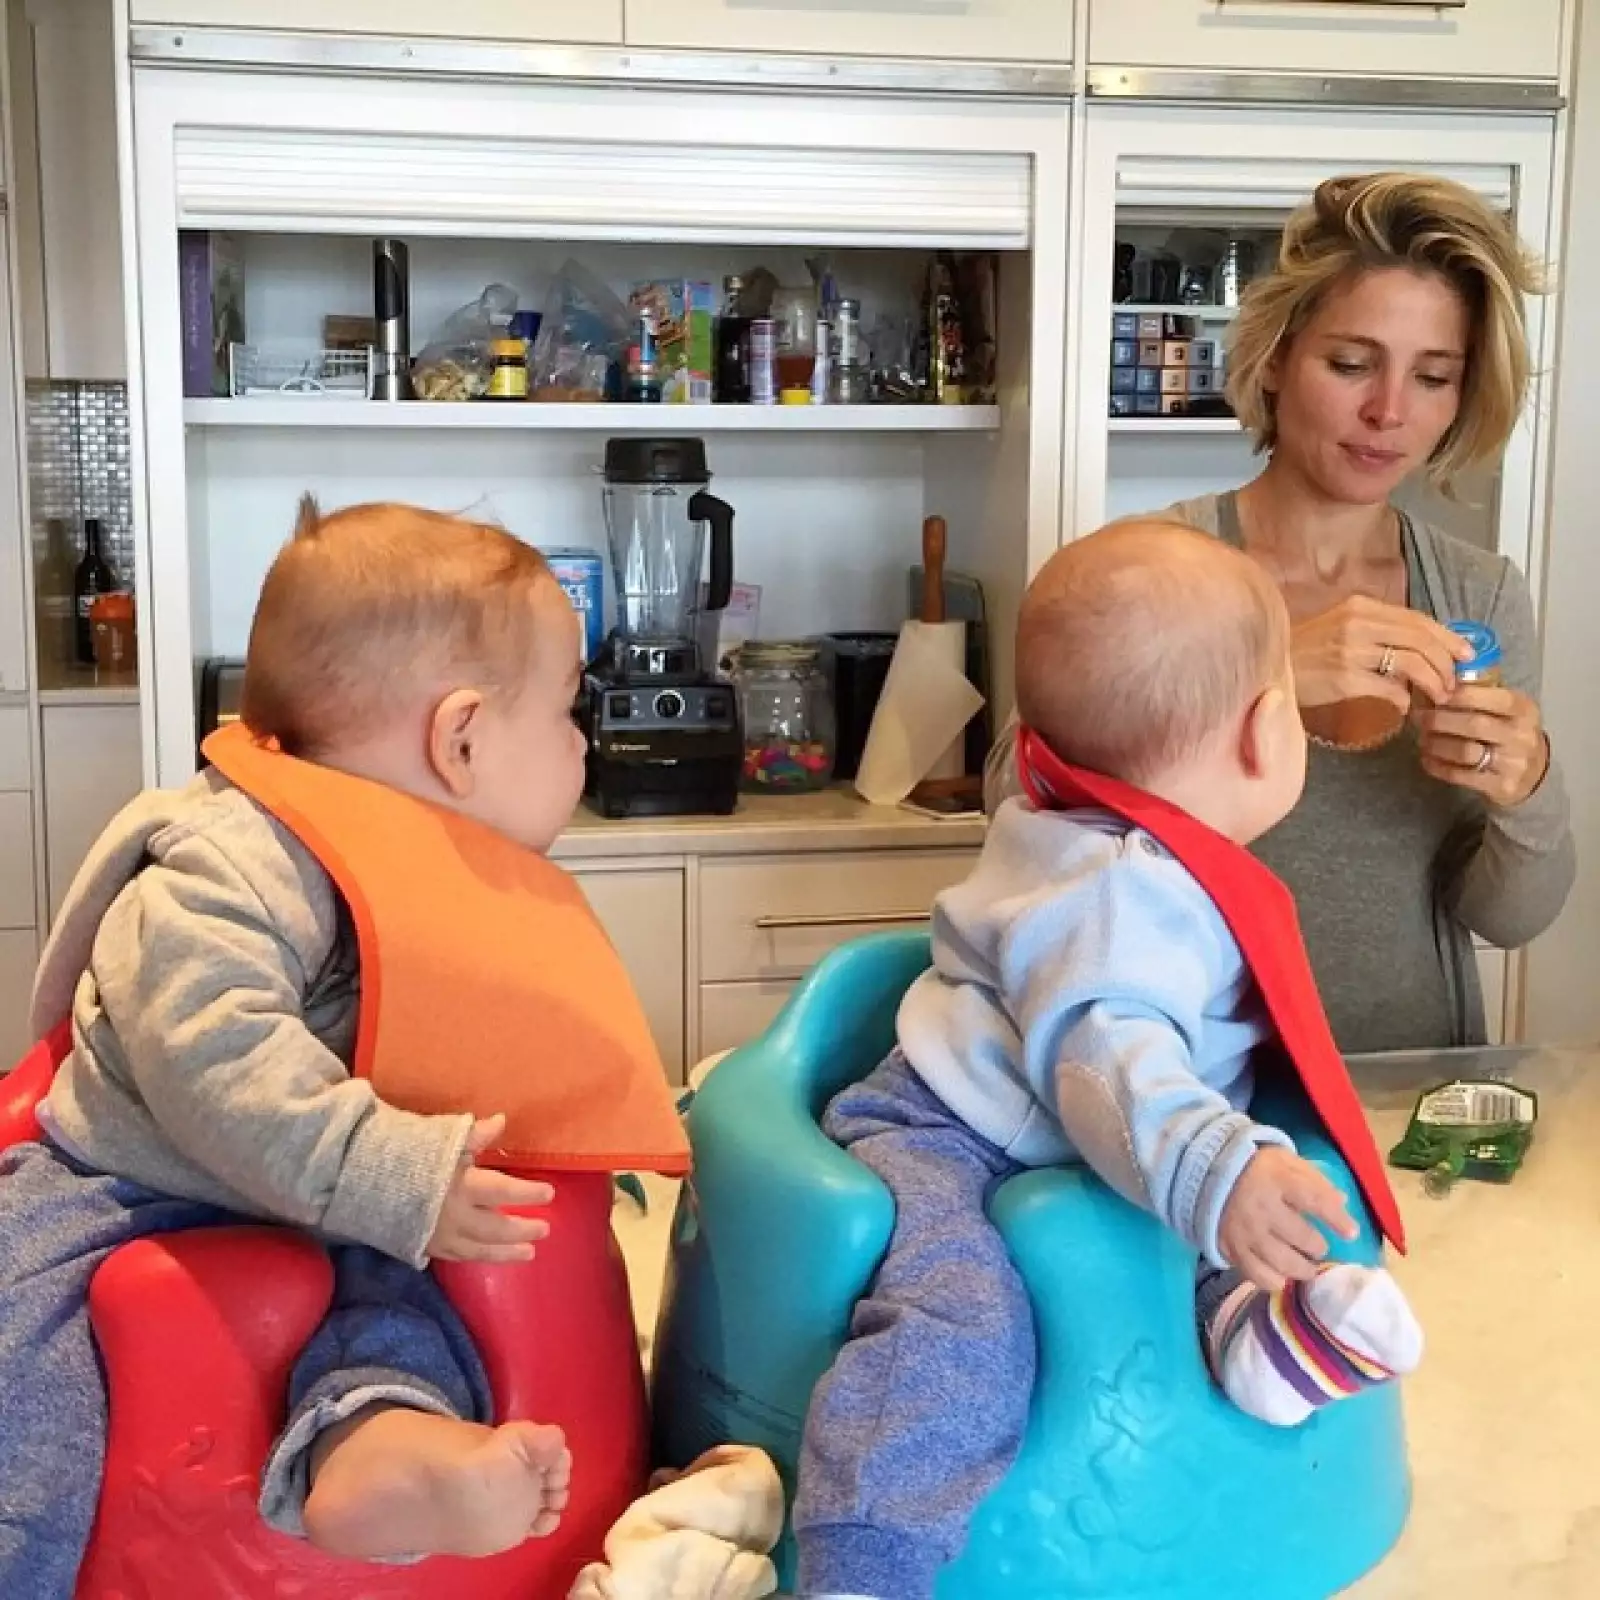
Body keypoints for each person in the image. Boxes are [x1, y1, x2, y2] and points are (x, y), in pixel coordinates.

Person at [790, 522, 1423, 1600]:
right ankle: (865, 1556)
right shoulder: (1120, 896)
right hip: (952, 1135)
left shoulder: (1101, 835)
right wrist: (1220, 1167)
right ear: (1272, 731)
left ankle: (1252, 1338)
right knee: (960, 1324)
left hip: (1094, 1133)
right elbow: (1102, 1062)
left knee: (1206, 1213)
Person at [0, 499, 598, 1594]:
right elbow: (210, 1056)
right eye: (567, 712)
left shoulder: (439, 871)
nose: (581, 744)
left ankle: (376, 1449)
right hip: (126, 1181)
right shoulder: (231, 861)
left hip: (327, 1190)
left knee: (405, 1309)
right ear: (459, 739)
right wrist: (388, 1169)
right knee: (21, 1370)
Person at [989, 172, 1575, 1055]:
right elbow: (1013, 798)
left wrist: (1528, 789)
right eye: (1350, 364)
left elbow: (1507, 917)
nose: (1388, 411)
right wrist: (1264, 674)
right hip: (1174, 1093)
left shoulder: (1479, 594)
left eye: (1433, 376)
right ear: (1276, 358)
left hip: (1405, 1088)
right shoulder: (1158, 561)